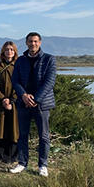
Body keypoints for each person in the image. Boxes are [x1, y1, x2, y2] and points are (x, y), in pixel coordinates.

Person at [10, 32, 57, 177]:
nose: (33, 44)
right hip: (23, 103)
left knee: (44, 136)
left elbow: (50, 82)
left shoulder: (49, 59)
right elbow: (15, 80)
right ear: (26, 43)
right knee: (23, 135)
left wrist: (35, 99)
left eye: (36, 41)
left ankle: (43, 165)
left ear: (40, 43)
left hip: (42, 104)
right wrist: (23, 95)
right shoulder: (21, 60)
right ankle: (22, 163)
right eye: (30, 41)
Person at [0, 41, 19, 164]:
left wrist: (12, 100)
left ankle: (12, 156)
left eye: (11, 49)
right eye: (7, 49)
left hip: (15, 103)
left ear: (15, 51)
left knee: (13, 129)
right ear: (3, 52)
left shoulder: (18, 66)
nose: (9, 52)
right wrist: (3, 99)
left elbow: (21, 84)